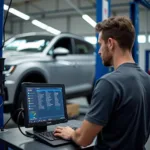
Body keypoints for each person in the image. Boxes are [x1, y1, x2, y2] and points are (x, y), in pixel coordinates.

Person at [54, 16, 150, 150]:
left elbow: (83, 139)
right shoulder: (146, 79)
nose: (99, 51)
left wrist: (72, 133)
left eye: (100, 44)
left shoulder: (109, 83)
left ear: (110, 43)